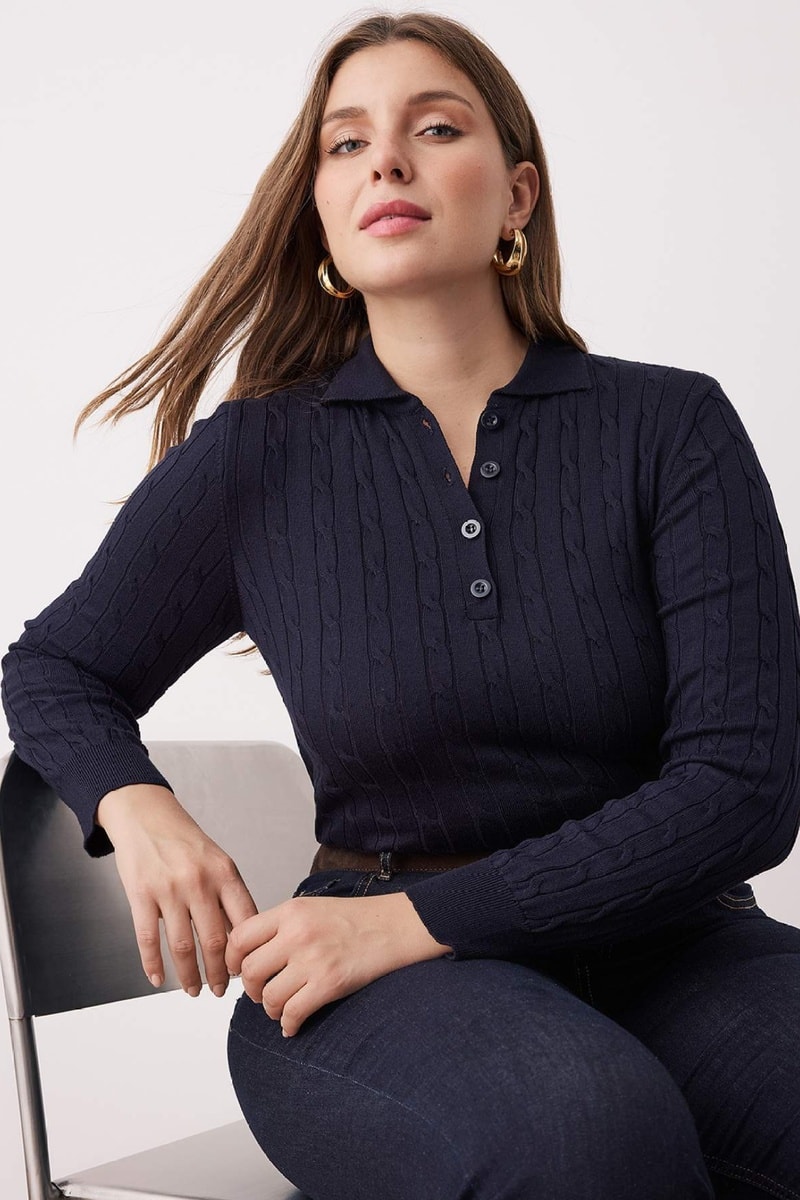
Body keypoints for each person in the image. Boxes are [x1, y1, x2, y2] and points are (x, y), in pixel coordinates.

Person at [2, 9, 799, 1198]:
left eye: (433, 128)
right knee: (586, 1133)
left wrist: (424, 919)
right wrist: (137, 804)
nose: (384, 160)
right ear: (322, 211)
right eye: (345, 143)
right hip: (365, 979)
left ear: (516, 195)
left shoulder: (668, 426)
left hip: (667, 940)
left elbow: (742, 788)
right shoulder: (257, 456)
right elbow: (55, 666)